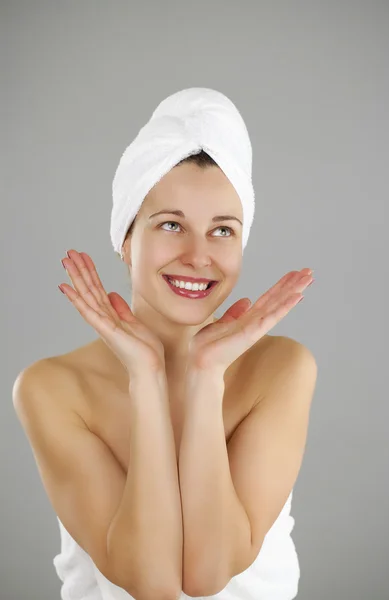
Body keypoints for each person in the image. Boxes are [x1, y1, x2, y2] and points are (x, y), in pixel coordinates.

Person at [13, 89, 316, 600]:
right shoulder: (51, 389)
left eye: (222, 230)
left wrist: (205, 378)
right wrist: (146, 381)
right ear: (127, 238)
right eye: (171, 224)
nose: (199, 256)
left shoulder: (281, 369)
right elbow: (152, 584)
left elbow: (207, 574)